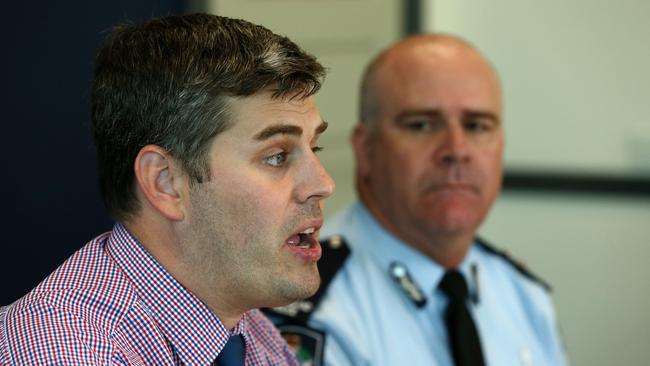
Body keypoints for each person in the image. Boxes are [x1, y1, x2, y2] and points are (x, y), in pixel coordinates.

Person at [0, 13, 335, 365]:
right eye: (277, 156)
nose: (323, 184)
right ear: (165, 182)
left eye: (314, 148)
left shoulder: (252, 331)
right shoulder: (65, 350)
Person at [265, 34, 568, 366]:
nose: (456, 150)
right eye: (422, 125)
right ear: (365, 149)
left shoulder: (523, 295)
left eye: (477, 126)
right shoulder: (315, 307)